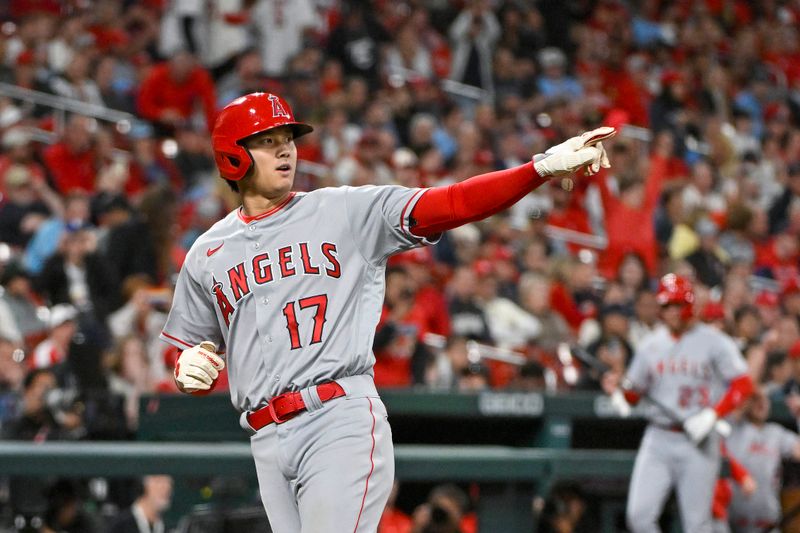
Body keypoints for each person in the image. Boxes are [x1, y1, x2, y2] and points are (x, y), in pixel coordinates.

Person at [159, 91, 613, 532]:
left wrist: (537, 169)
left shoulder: (346, 210)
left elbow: (452, 202)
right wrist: (187, 369)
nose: (285, 151)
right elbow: (184, 353)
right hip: (265, 437)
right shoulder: (207, 253)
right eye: (267, 141)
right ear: (233, 156)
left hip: (336, 419)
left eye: (288, 139)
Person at [604, 273, 754, 533]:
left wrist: (712, 415)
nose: (672, 312)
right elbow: (634, 394)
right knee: (639, 517)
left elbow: (743, 383)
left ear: (689, 305)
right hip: (659, 436)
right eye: (667, 306)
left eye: (676, 305)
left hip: (699, 440)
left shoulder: (714, 341)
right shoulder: (651, 344)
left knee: (696, 525)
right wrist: (618, 388)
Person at [726, 389, 800, 532]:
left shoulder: (776, 432)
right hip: (732, 522)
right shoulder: (732, 428)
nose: (761, 403)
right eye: (756, 399)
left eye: (765, 400)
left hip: (768, 522)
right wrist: (746, 399)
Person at [104, 475, 173, 533]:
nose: (166, 487)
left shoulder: (167, 528)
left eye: (169, 482)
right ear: (143, 484)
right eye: (158, 481)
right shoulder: (119, 526)